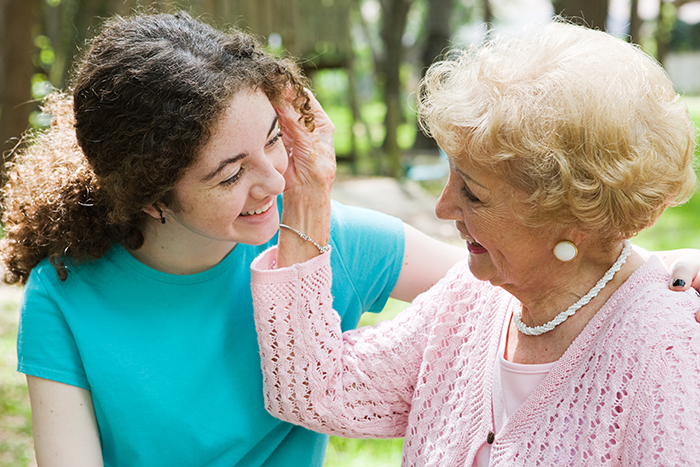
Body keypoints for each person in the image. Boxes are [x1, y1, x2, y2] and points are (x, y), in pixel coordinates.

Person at [0, 11, 463, 467]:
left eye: (273, 138)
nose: (276, 183)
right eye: (231, 175)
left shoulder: (331, 240)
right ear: (152, 198)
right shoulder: (64, 294)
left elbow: (511, 292)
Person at [251, 21, 700, 466]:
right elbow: (320, 391)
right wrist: (307, 192)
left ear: (573, 217)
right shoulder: (471, 299)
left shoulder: (668, 353)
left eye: (473, 193)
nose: (443, 208)